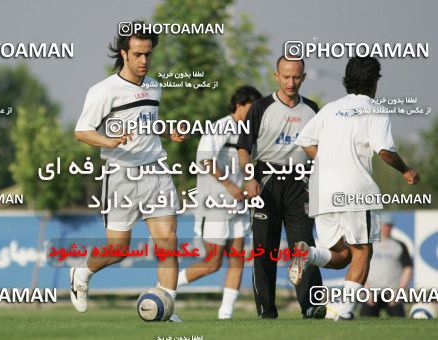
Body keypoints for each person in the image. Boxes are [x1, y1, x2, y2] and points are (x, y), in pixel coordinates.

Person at [71, 21, 186, 321]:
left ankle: (167, 307)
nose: (144, 61)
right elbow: (82, 131)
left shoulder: (154, 86)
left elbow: (147, 123)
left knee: (168, 241)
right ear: (124, 53)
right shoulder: (103, 90)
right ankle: (81, 271)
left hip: (156, 171)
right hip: (121, 175)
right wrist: (108, 140)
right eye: (138, 54)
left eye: (148, 54)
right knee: (118, 249)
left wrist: (168, 130)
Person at [290, 56, 420, 320]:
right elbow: (384, 150)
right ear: (375, 81)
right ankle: (347, 312)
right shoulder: (375, 109)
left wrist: (328, 162)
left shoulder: (330, 109)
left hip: (321, 190)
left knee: (343, 255)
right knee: (363, 250)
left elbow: (303, 139)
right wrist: (406, 170)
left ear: (346, 80)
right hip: (356, 192)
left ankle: (309, 253)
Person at [237, 56, 325, 319]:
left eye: (296, 77)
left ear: (304, 77)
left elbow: (321, 151)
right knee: (265, 248)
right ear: (277, 76)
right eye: (286, 77)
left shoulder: (312, 109)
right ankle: (266, 309)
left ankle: (311, 306)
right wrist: (249, 176)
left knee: (304, 247)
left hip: (301, 182)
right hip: (266, 181)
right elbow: (243, 147)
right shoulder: (261, 107)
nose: (291, 82)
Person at [176, 86, 263, 320]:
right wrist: (230, 186)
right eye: (251, 107)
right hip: (214, 205)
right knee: (212, 262)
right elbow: (205, 161)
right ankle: (165, 287)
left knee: (237, 259)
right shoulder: (221, 127)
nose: (255, 112)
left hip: (238, 206)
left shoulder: (250, 133)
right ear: (239, 105)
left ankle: (226, 315)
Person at [360, 212, 413, 317]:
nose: (387, 228)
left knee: (400, 322)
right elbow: (360, 268)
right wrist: (366, 290)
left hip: (393, 293)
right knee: (364, 320)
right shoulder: (367, 245)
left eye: (389, 225)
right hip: (371, 292)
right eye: (384, 225)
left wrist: (399, 291)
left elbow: (408, 268)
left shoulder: (400, 245)